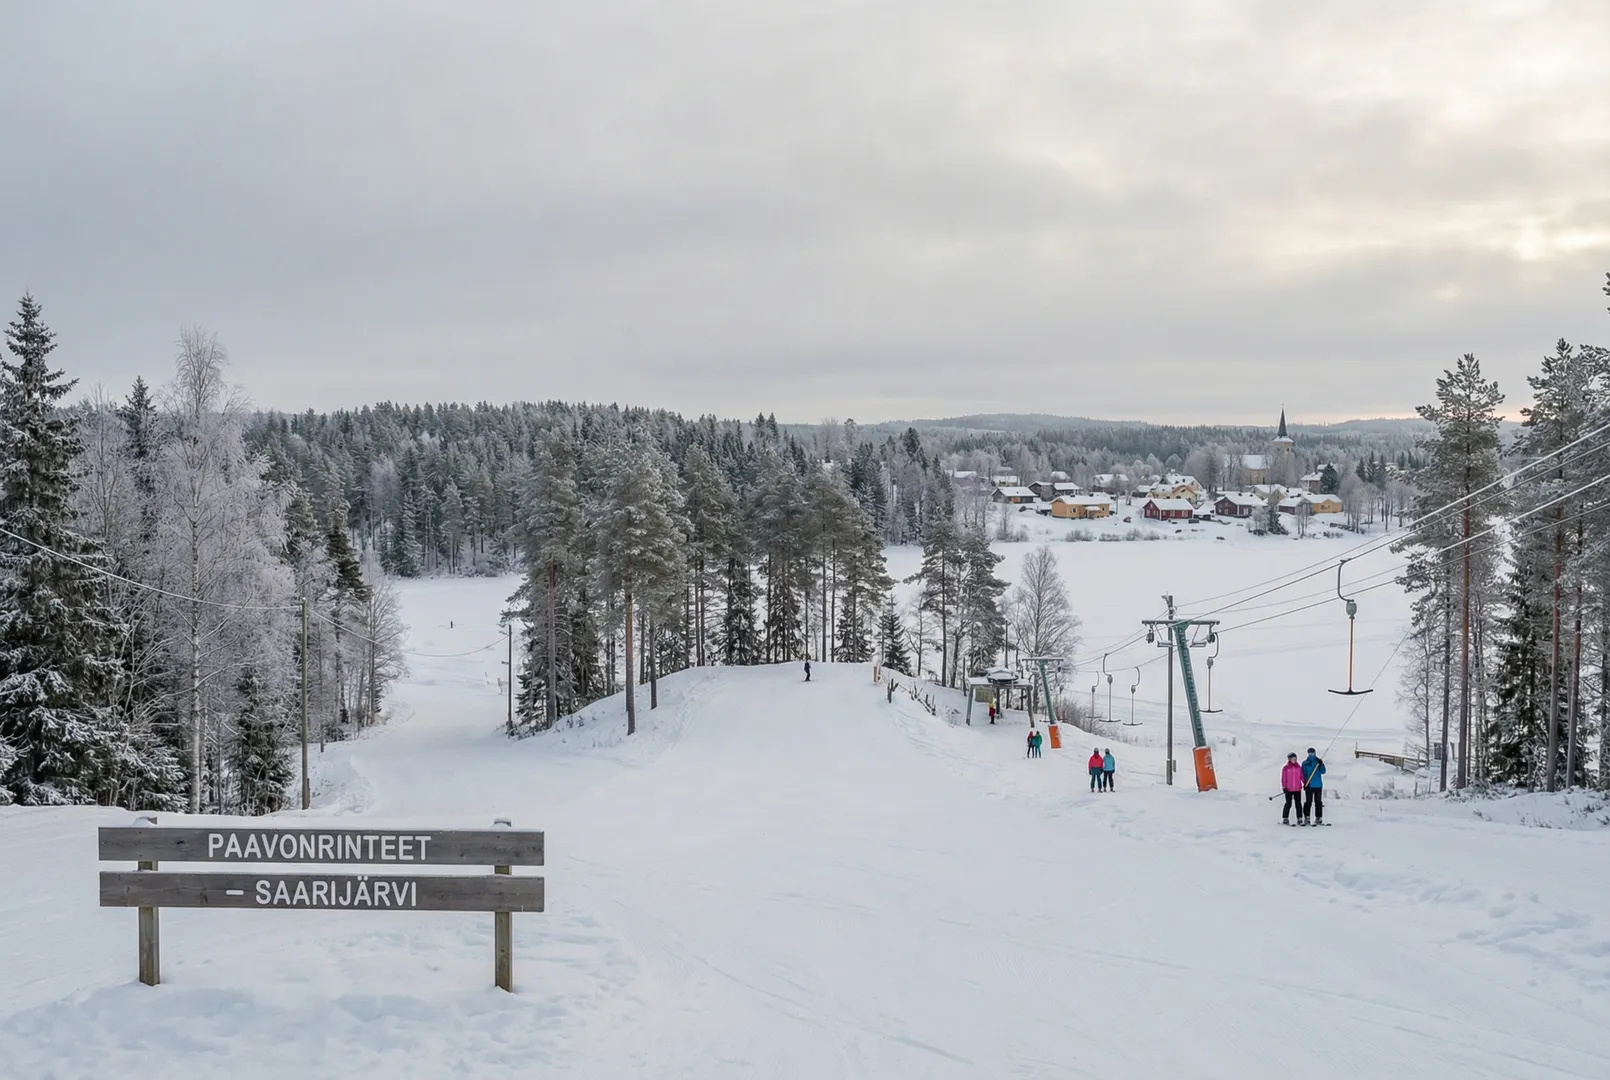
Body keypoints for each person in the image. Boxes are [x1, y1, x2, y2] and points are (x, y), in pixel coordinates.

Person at [1301, 747, 1326, 825]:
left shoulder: (1318, 762)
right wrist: (1305, 783)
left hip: (1318, 785)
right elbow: (1303, 774)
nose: (1312, 754)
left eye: (1313, 752)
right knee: (1308, 802)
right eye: (1310, 753)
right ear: (1308, 753)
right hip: (1309, 785)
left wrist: (1321, 764)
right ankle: (1307, 817)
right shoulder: (1305, 763)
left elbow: (1323, 771)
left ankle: (1318, 818)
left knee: (1318, 802)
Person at [1280, 752, 1304, 825]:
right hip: (1289, 789)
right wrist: (1284, 787)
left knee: (1298, 804)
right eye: (1293, 758)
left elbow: (1302, 777)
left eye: (1295, 758)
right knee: (1288, 803)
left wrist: (1305, 783)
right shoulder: (1286, 768)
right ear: (1289, 759)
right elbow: (1283, 778)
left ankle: (1299, 818)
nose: (1294, 760)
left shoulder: (1298, 767)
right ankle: (1285, 818)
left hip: (1297, 789)